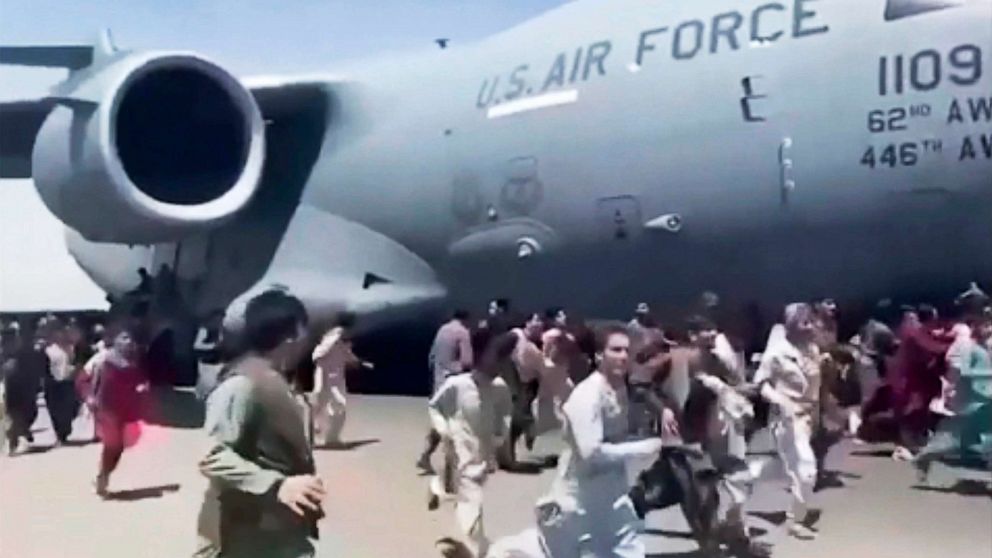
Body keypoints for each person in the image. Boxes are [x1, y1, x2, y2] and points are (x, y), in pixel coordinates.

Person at [195, 290, 324, 558]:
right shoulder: (241, 385)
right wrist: (277, 485)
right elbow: (213, 456)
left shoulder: (278, 381)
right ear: (292, 335)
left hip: (279, 533)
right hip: (245, 537)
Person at [541, 325, 662, 557]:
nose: (623, 356)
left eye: (627, 350)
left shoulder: (619, 389)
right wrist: (643, 448)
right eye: (616, 350)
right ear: (599, 356)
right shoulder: (588, 395)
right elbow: (591, 453)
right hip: (581, 501)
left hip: (613, 498)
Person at [427, 331, 514, 556]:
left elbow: (504, 415)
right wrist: (443, 430)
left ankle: (437, 487)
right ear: (480, 354)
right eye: (495, 355)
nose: (500, 362)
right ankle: (473, 550)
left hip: (483, 454)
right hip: (458, 450)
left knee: (465, 493)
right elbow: (434, 406)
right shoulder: (457, 384)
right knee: (471, 500)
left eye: (504, 356)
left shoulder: (500, 388)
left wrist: (500, 437)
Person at [754, 303, 822, 540]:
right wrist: (782, 402)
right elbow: (761, 384)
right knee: (806, 470)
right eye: (805, 322)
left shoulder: (812, 350)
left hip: (808, 417)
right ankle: (795, 520)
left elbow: (815, 387)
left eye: (812, 321)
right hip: (786, 420)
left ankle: (755, 472)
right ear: (791, 326)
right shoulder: (777, 353)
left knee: (797, 468)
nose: (811, 326)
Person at [914, 310, 992, 481]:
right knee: (953, 441)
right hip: (970, 400)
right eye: (985, 325)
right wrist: (986, 375)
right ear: (974, 326)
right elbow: (959, 372)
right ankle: (924, 457)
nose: (989, 328)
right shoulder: (966, 346)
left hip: (985, 398)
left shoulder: (984, 346)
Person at [91, 323, 149, 496]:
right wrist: (91, 397)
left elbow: (139, 381)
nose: (128, 342)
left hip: (124, 409)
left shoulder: (133, 361)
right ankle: (102, 477)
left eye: (130, 338)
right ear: (114, 340)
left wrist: (142, 388)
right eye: (124, 338)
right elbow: (92, 379)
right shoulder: (104, 359)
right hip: (106, 408)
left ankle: (104, 473)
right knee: (112, 443)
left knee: (119, 447)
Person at [419, 310, 475, 472]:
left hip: (438, 382)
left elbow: (431, 357)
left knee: (439, 422)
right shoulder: (463, 333)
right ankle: (451, 465)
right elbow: (467, 361)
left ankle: (426, 455)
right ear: (466, 319)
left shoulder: (442, 330)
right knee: (455, 425)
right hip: (453, 383)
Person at [310, 312, 372, 448]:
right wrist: (319, 359)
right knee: (333, 405)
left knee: (326, 405)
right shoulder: (336, 336)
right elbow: (320, 352)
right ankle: (322, 436)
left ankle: (327, 437)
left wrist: (361, 363)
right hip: (328, 377)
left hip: (332, 377)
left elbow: (346, 354)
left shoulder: (338, 337)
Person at [2, 326, 42, 456]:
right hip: (11, 389)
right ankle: (14, 442)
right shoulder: (6, 355)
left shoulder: (25, 353)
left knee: (23, 414)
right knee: (12, 417)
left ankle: (21, 435)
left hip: (21, 388)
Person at [44, 321, 79, 445]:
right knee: (55, 411)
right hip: (53, 384)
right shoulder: (48, 350)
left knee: (71, 409)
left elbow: (74, 362)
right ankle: (60, 435)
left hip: (67, 382)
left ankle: (65, 430)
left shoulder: (70, 348)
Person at [195, 311, 226, 400]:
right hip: (207, 363)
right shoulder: (205, 329)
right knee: (206, 385)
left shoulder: (222, 331)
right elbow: (197, 345)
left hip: (219, 362)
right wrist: (213, 346)